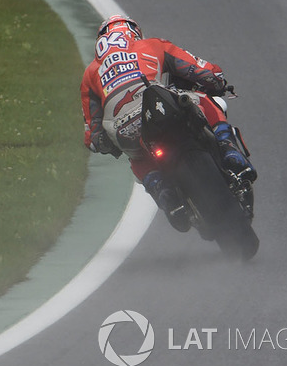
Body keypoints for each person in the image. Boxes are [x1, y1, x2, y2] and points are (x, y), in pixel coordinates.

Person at [80, 15, 256, 232]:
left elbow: (93, 136)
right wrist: (218, 82)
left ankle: (159, 187)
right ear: (133, 33)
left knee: (136, 156)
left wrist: (107, 143)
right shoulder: (151, 45)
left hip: (123, 127)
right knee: (205, 101)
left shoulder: (90, 74)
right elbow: (204, 71)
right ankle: (228, 147)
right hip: (159, 105)